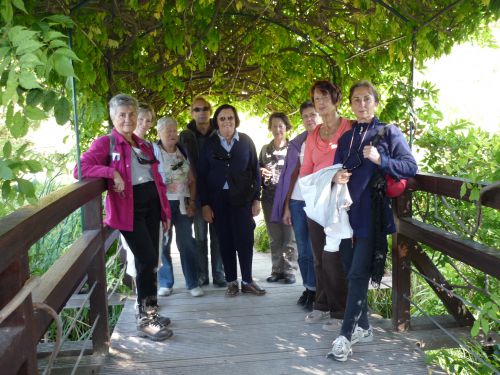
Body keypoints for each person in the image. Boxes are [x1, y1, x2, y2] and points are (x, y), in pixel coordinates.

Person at [327, 81, 417, 361]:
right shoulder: (346, 138)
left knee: (357, 275)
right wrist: (335, 177)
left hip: (372, 214)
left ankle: (344, 336)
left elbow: (410, 166)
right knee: (348, 269)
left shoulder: (388, 132)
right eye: (356, 100)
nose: (362, 104)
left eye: (367, 99)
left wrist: (382, 159)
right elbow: (334, 170)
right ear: (350, 105)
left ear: (376, 102)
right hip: (345, 215)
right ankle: (364, 327)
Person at [75, 93, 173, 341]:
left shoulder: (143, 145)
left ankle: (149, 310)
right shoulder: (105, 144)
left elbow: (158, 181)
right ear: (113, 117)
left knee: (150, 262)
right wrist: (110, 172)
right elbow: (80, 168)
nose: (127, 119)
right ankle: (145, 318)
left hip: (152, 207)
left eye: (131, 114)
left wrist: (165, 211)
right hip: (130, 211)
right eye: (122, 115)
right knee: (147, 257)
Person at [197, 104, 265, 297]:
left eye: (230, 118)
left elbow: (255, 171)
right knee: (225, 241)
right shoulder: (209, 145)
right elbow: (201, 176)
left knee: (245, 240)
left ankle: (248, 281)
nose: (227, 122)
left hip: (242, 200)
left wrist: (256, 199)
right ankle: (231, 282)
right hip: (218, 201)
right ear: (216, 122)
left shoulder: (245, 141)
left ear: (236, 120)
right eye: (222, 118)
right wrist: (205, 205)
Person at [299, 80, 351, 329]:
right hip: (317, 202)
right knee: (318, 256)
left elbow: (353, 166)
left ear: (336, 99)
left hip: (341, 203)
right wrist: (322, 182)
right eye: (316, 98)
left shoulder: (348, 129)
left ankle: (340, 311)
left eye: (324, 96)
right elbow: (305, 171)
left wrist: (332, 179)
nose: (320, 102)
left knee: (335, 257)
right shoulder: (312, 135)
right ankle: (321, 304)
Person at [271, 101, 320, 310]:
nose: (309, 119)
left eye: (313, 115)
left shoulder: (330, 138)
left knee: (321, 249)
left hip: (320, 202)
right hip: (298, 201)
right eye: (305, 116)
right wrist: (287, 206)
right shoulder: (298, 142)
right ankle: (309, 288)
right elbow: (291, 176)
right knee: (304, 249)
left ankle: (322, 290)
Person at [154, 116, 204, 298]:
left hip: (183, 203)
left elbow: (192, 180)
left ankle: (192, 283)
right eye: (168, 131)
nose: (173, 134)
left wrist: (192, 202)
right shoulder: (154, 153)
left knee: (187, 243)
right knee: (163, 243)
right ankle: (166, 283)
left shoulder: (182, 151)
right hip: (163, 204)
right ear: (159, 133)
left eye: (174, 130)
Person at [179, 97, 226, 287]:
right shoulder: (185, 136)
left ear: (211, 111)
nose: (201, 112)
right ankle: (201, 275)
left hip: (217, 192)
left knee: (218, 235)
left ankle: (219, 274)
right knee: (199, 236)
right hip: (196, 193)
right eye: (197, 109)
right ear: (191, 112)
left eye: (205, 109)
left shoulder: (220, 133)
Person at [260, 112, 297, 285]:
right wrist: (261, 173)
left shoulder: (293, 148)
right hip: (269, 198)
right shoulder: (265, 150)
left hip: (289, 198)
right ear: (270, 128)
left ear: (287, 127)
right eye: (274, 126)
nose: (277, 129)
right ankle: (276, 270)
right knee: (274, 237)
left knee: (289, 236)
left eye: (280, 126)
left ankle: (289, 271)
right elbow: (257, 171)